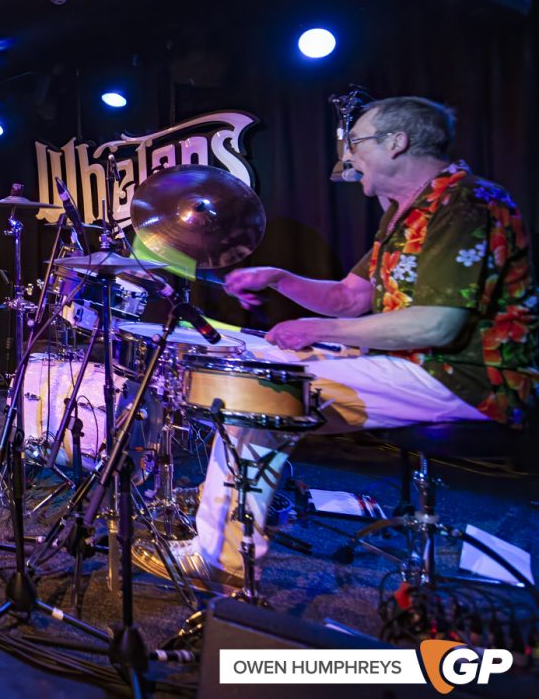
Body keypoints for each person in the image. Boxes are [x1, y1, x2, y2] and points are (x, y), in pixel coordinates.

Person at [135, 96, 538, 591]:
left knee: (254, 395)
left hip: (468, 377)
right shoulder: (405, 213)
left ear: (398, 143)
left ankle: (222, 560)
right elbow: (351, 298)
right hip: (417, 365)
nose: (348, 158)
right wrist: (282, 279)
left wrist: (317, 331)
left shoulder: (467, 204)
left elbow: (437, 326)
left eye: (356, 143)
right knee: (251, 371)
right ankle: (227, 536)